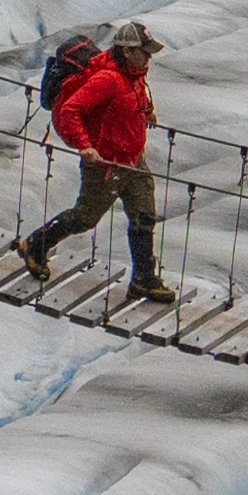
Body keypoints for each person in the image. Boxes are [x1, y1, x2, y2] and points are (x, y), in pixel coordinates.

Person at [19, 22, 168, 301]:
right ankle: (37, 245)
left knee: (144, 215)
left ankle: (144, 279)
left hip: (133, 159)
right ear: (126, 51)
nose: (149, 56)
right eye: (144, 52)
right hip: (106, 163)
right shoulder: (107, 79)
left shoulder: (133, 73)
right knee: (85, 217)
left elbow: (134, 94)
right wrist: (85, 147)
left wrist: (147, 111)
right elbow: (70, 109)